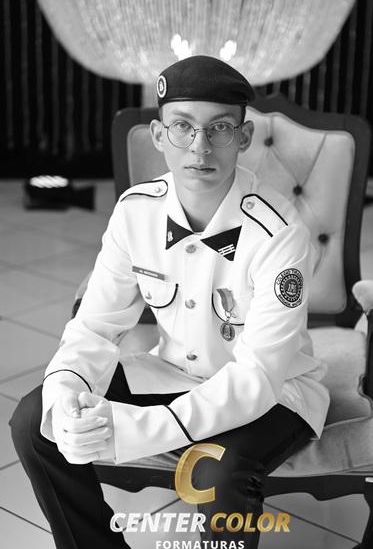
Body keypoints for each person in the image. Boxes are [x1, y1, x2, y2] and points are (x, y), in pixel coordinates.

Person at [10, 55, 330, 549]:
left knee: (217, 472)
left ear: (243, 137)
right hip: (173, 372)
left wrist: (139, 428)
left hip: (274, 392)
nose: (200, 146)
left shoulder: (279, 232)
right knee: (37, 420)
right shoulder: (135, 212)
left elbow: (257, 377)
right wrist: (67, 394)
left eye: (220, 128)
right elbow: (95, 327)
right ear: (159, 136)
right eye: (183, 126)